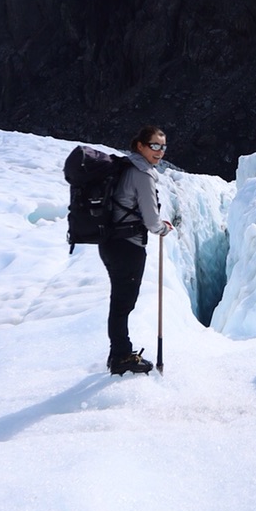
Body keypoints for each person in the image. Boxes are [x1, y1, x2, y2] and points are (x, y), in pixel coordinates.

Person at [99, 125, 173, 374]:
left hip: (110, 242)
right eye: (154, 145)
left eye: (163, 146)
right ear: (139, 146)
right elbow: (152, 221)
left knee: (119, 301)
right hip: (127, 246)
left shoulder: (125, 166)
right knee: (123, 304)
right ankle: (121, 357)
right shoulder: (142, 174)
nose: (159, 152)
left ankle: (117, 353)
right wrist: (162, 229)